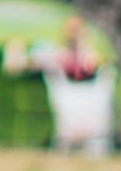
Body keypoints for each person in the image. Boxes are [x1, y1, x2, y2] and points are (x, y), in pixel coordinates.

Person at [30, 16, 115, 157]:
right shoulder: (59, 53)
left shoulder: (90, 53)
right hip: (68, 103)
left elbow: (92, 65)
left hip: (90, 105)